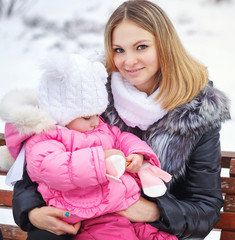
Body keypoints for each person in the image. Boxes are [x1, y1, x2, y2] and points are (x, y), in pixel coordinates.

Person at [6, 0, 230, 239]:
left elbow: (205, 206)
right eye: (119, 50)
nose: (128, 61)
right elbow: (37, 159)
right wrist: (31, 212)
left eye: (141, 47)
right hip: (80, 219)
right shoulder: (88, 94)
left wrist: (154, 211)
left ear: (164, 46)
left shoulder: (197, 111)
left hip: (150, 230)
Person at [0, 53, 175, 240]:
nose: (95, 122)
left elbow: (121, 138)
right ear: (61, 113)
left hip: (118, 204)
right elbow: (50, 166)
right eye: (86, 117)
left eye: (97, 114)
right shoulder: (46, 138)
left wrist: (137, 153)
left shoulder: (97, 126)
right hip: (84, 209)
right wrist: (102, 161)